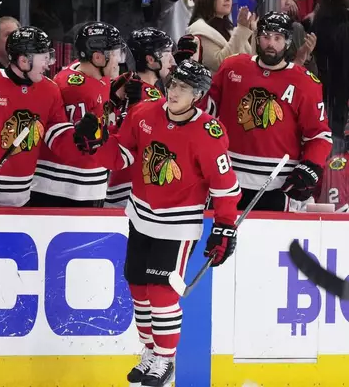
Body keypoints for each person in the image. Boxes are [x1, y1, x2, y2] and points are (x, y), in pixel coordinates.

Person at [73, 59, 241, 387]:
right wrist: (97, 144)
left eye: (184, 88)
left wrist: (224, 225)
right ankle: (150, 350)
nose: (175, 91)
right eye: (174, 83)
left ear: (198, 96)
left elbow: (225, 186)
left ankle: (165, 360)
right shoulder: (144, 113)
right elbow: (122, 154)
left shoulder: (209, 133)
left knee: (161, 294)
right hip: (140, 215)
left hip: (177, 225)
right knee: (138, 288)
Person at [0, 26, 87, 207]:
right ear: (24, 60)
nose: (48, 63)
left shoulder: (49, 90)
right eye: (44, 57)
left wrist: (81, 137)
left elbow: (58, 137)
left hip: (22, 199)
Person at [206, 11, 332, 211]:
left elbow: (319, 135)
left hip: (278, 185)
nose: (270, 44)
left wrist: (311, 166)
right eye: (265, 37)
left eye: (277, 38)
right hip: (228, 177)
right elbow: (206, 113)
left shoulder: (305, 82)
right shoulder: (233, 68)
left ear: (288, 41)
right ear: (257, 39)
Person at [30, 21, 124, 207]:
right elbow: (79, 146)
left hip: (83, 184)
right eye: (114, 54)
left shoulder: (92, 73)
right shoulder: (76, 90)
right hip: (65, 188)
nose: (119, 60)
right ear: (97, 57)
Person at [105, 28, 174, 208]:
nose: (172, 61)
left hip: (115, 180)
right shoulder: (151, 95)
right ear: (151, 60)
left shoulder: (123, 80)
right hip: (133, 184)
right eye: (167, 54)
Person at [186, 0, 255, 72]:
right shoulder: (199, 30)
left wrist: (255, 33)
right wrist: (242, 29)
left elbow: (252, 59)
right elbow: (219, 64)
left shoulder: (230, 29)